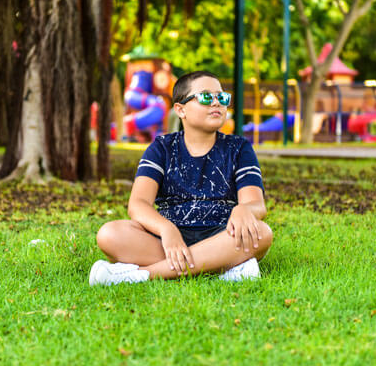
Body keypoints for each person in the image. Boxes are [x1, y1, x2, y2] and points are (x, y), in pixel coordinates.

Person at [89, 71, 272, 286]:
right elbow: (138, 205)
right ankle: (224, 266)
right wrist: (167, 230)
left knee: (262, 233)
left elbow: (256, 204)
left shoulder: (239, 148)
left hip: (222, 235)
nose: (216, 103)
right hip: (168, 239)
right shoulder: (161, 148)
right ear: (181, 109)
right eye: (205, 97)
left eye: (222, 98)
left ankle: (142, 275)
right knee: (109, 234)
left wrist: (244, 210)